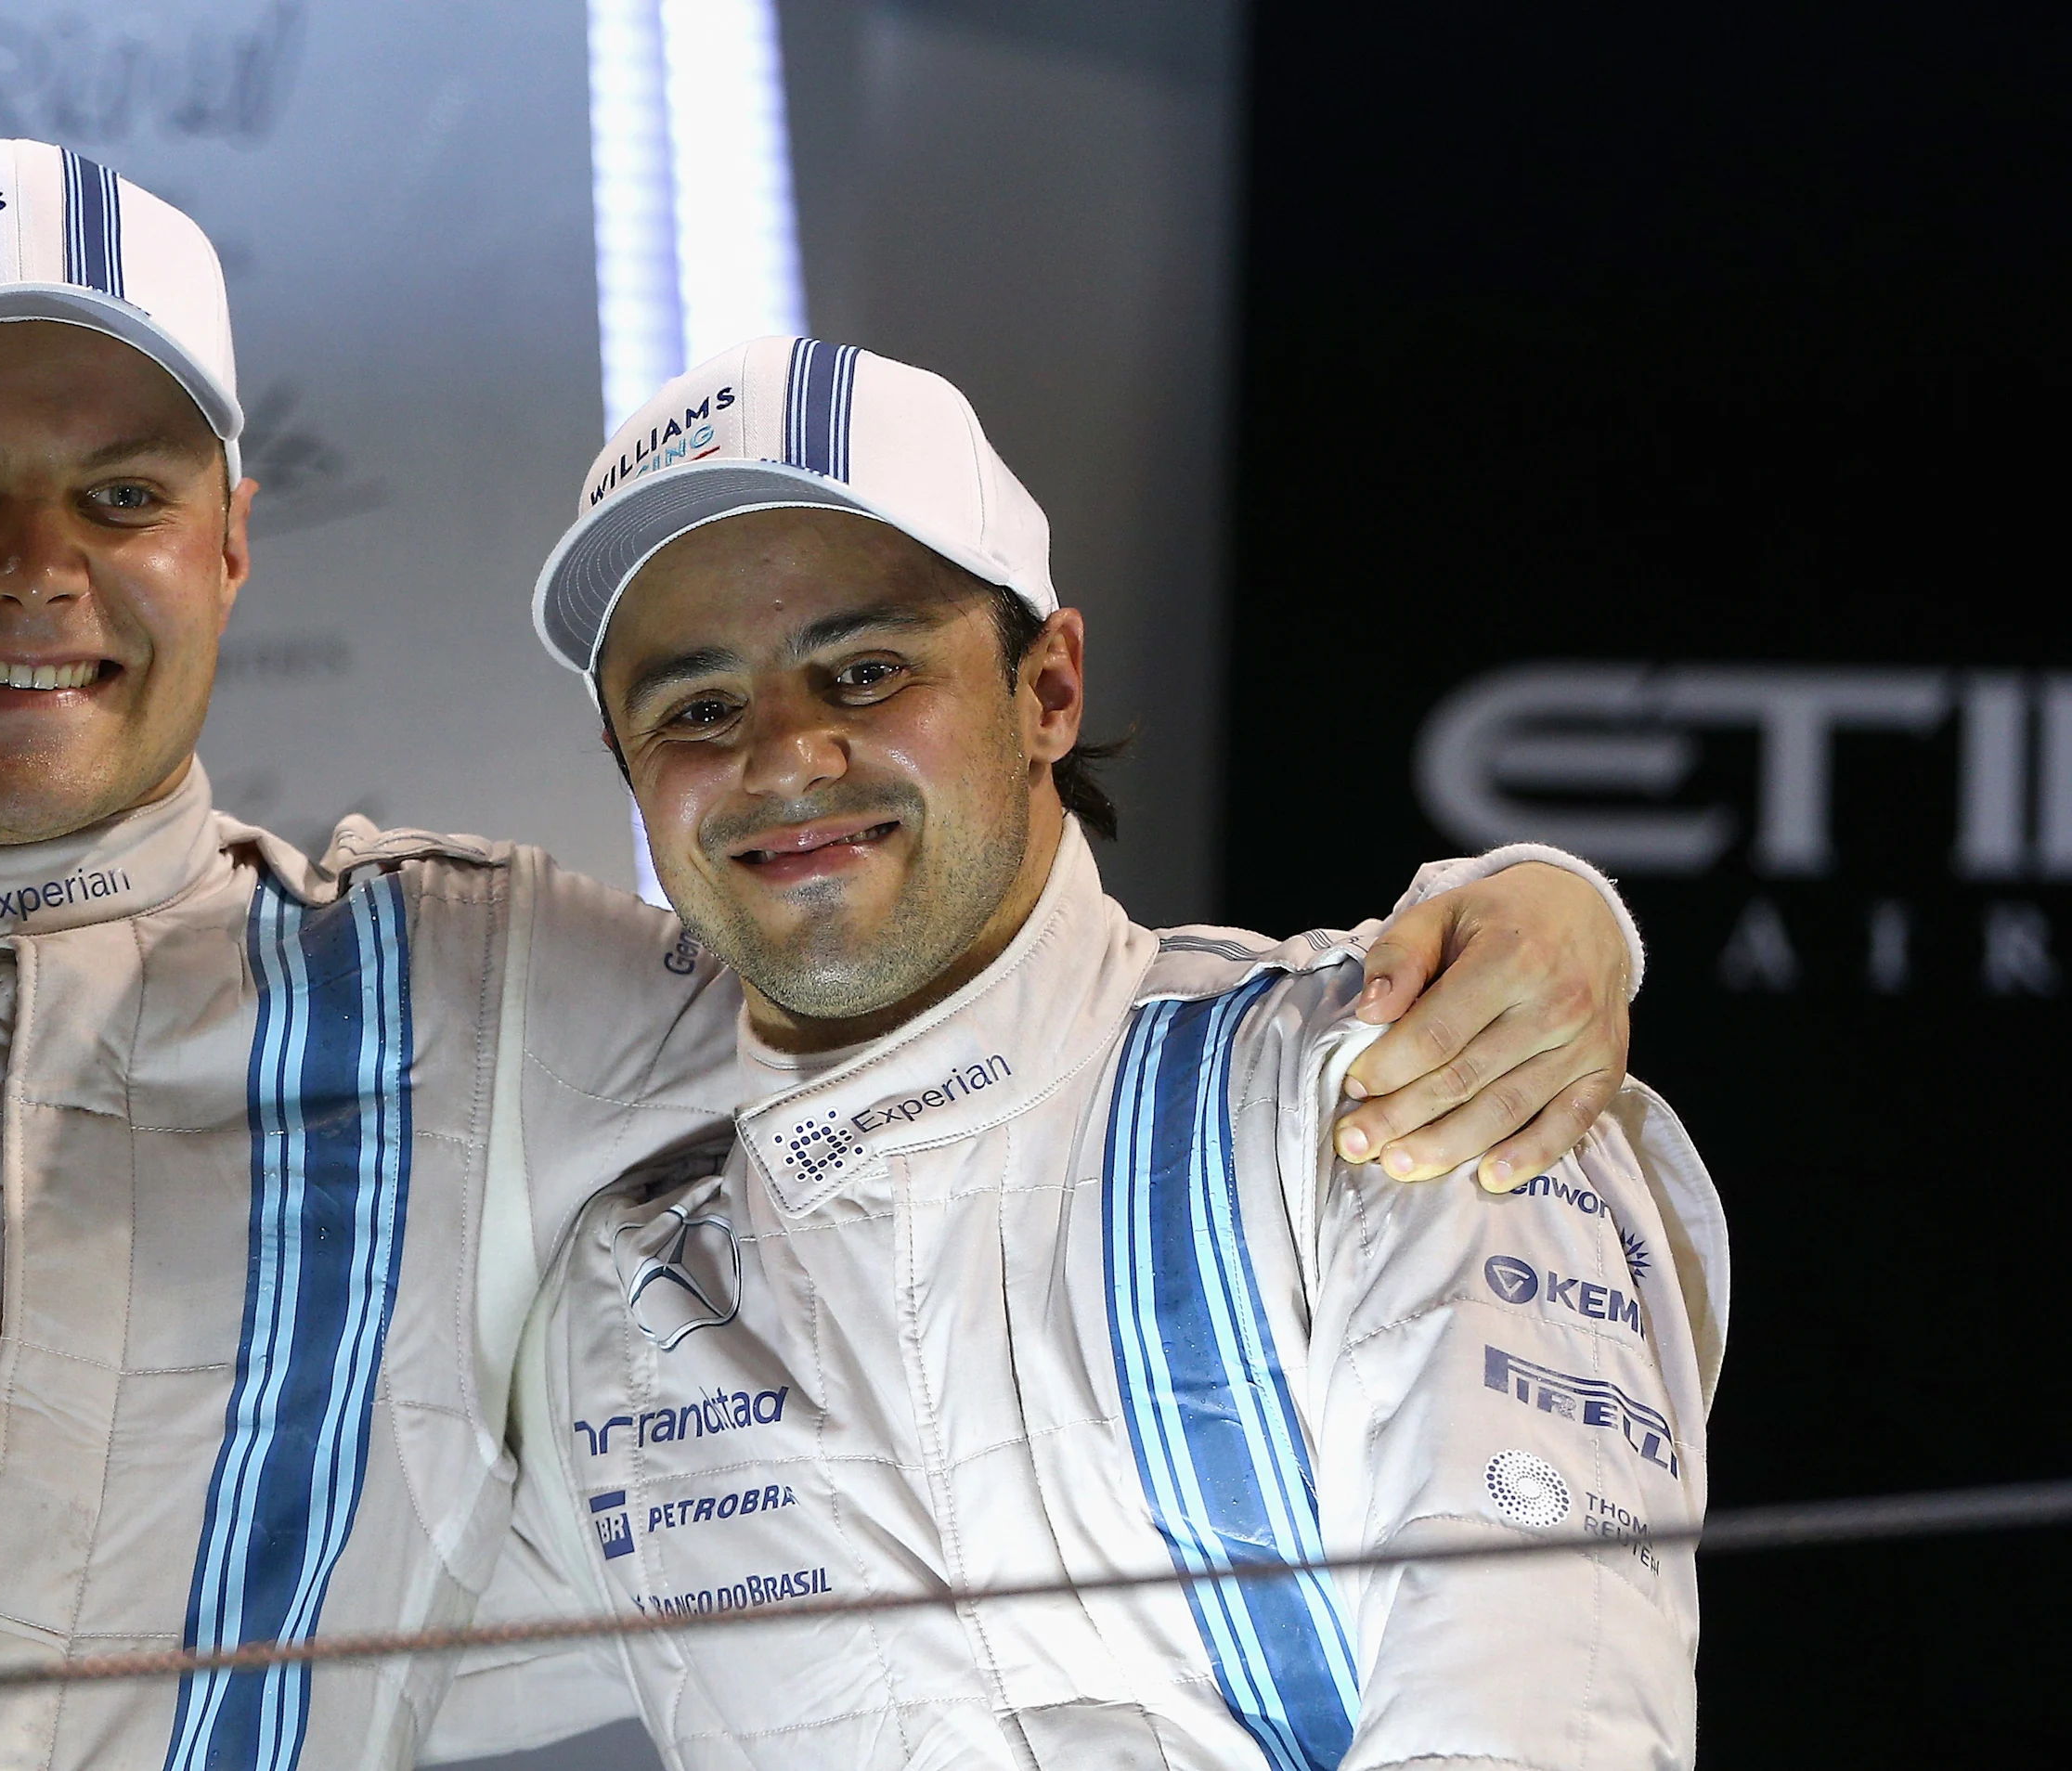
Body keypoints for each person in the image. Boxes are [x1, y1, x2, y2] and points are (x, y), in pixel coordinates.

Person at [0, 144, 1646, 1771]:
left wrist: (1535, 928)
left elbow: (953, 1007)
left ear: (229, 540)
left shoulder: (466, 986)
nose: (34, 573)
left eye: (117, 494)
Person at [496, 339, 1725, 1768]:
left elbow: (1541, 1719)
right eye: (698, 708)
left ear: (1050, 690)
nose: (784, 757)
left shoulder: (1389, 1082)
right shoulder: (613, 1307)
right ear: (628, 766)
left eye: (867, 669)